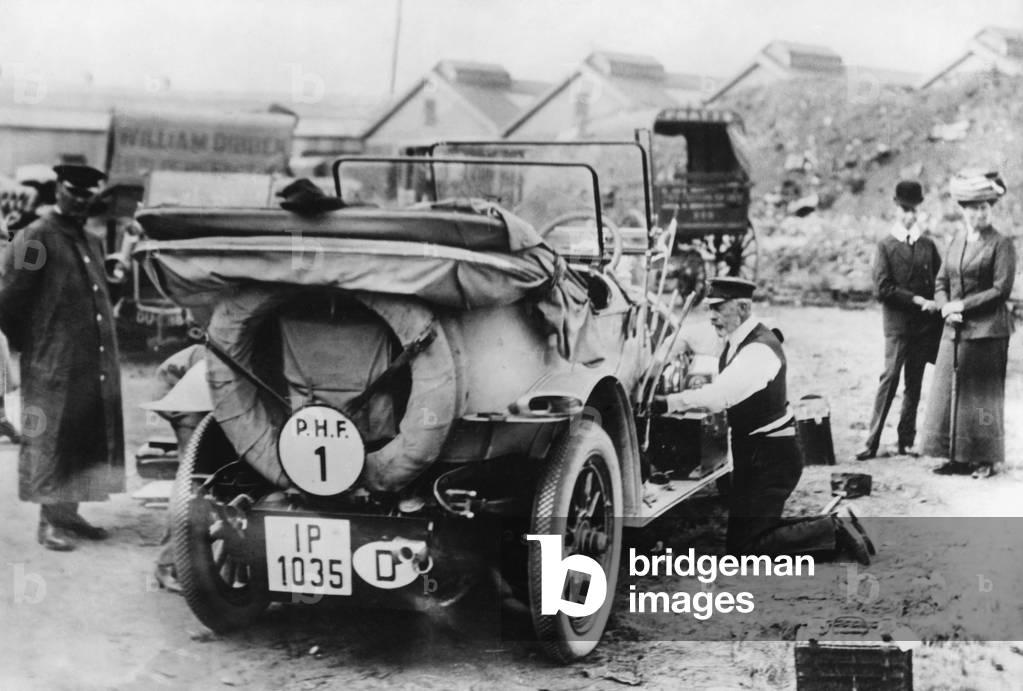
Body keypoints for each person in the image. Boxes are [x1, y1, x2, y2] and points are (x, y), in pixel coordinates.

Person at [654, 277, 873, 563]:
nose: (711, 316)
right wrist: (660, 360)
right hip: (755, 454)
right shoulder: (733, 334)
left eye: (718, 308)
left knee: (747, 550)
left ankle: (832, 528)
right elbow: (686, 335)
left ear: (742, 308)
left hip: (773, 459)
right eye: (709, 308)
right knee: (745, 539)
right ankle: (834, 525)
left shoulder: (759, 350)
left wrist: (668, 402)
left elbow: (719, 396)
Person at [0, 164, 124, 551]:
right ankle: (48, 521)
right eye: (74, 190)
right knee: (50, 437)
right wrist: (37, 345)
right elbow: (9, 299)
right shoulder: (37, 238)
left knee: (84, 433)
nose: (81, 198)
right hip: (52, 360)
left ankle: (69, 514)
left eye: (89, 193)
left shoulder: (91, 239)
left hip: (93, 359)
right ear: (58, 189)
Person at [922, 169, 1016, 479]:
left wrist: (962, 305)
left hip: (988, 331)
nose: (980, 213)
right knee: (952, 392)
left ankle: (985, 459)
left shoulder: (1001, 244)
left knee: (983, 396)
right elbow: (940, 281)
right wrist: (945, 307)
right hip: (955, 329)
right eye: (975, 208)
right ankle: (956, 456)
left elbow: (1000, 289)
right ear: (964, 211)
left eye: (986, 207)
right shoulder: (955, 241)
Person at [855, 181, 942, 460]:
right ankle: (871, 442)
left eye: (914, 210)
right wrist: (917, 300)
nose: (909, 215)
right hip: (897, 327)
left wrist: (939, 301)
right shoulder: (885, 246)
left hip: (923, 327)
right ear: (896, 208)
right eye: (905, 209)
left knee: (914, 385)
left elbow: (941, 281)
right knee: (889, 380)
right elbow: (883, 288)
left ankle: (906, 441)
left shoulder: (927, 245)